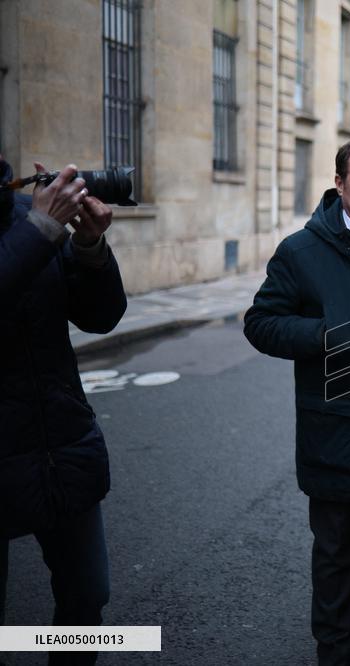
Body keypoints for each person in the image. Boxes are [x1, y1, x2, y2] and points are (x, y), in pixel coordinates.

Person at [244, 136, 350, 664]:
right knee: (339, 552)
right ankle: (335, 646)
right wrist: (327, 334)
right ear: (339, 183)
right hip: (335, 433)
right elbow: (261, 323)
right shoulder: (302, 250)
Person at [0, 156, 127, 665]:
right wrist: (42, 228)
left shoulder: (25, 214)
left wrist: (89, 246)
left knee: (87, 598)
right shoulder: (34, 223)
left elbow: (100, 317)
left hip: (61, 449)